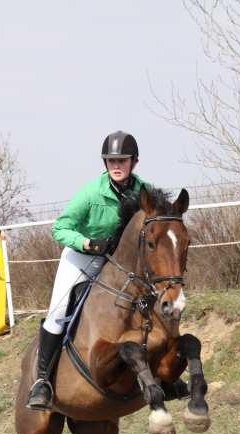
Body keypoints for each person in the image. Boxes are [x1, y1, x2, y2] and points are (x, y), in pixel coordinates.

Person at [27, 131, 147, 411]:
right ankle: (42, 381)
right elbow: (60, 228)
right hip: (81, 258)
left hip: (116, 263)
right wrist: (87, 243)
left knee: (147, 302)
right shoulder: (91, 193)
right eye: (111, 161)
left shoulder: (143, 190)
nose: (116, 165)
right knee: (58, 312)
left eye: (122, 160)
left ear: (134, 162)